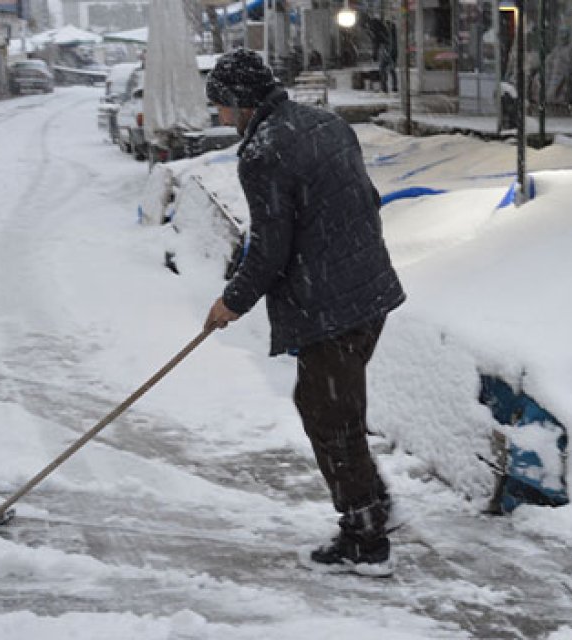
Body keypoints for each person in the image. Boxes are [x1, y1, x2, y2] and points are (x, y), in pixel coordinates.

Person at [202, 49, 406, 577]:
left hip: (332, 304)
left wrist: (233, 300)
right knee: (335, 409)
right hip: (369, 291)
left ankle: (366, 537)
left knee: (327, 415)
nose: (220, 116)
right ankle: (373, 505)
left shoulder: (264, 152)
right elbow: (367, 198)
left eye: (222, 105)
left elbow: (270, 248)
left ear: (244, 101)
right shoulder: (327, 125)